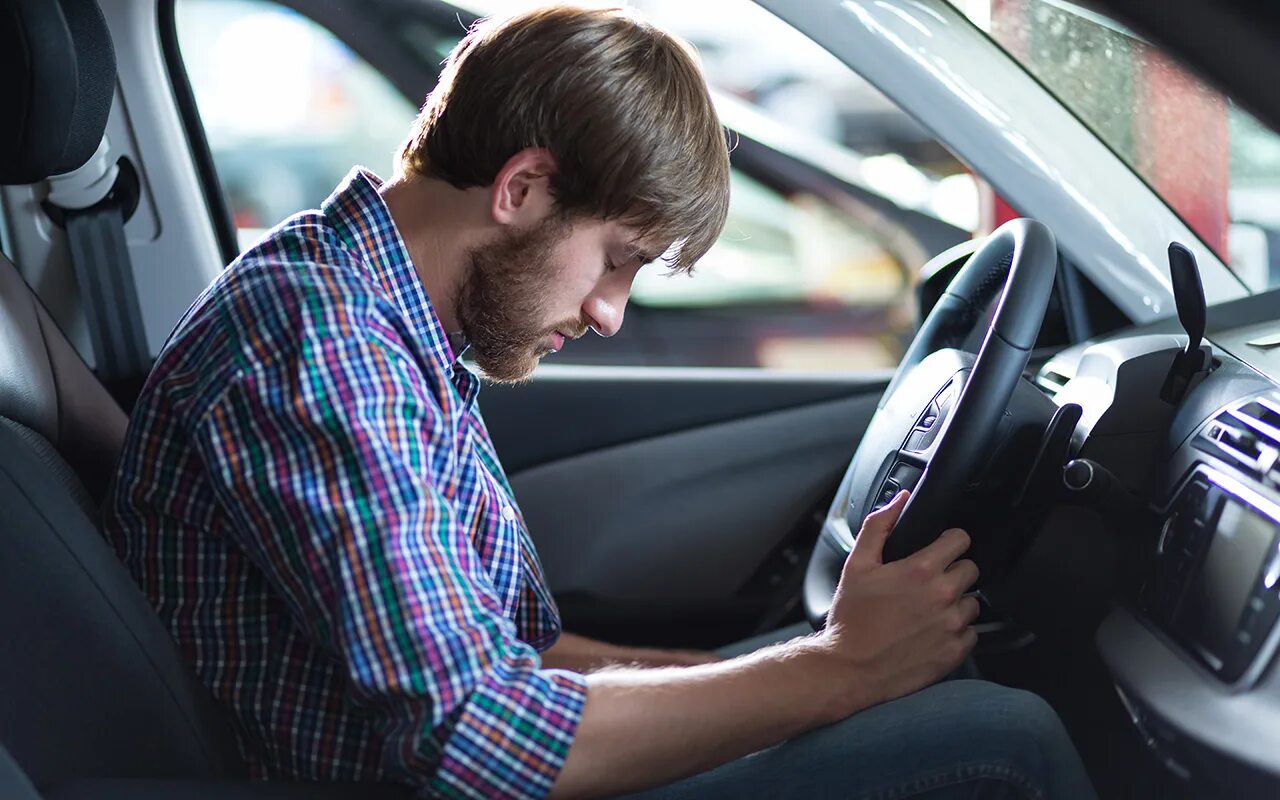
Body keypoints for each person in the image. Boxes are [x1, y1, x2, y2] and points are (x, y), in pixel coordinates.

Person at [103, 5, 1096, 798]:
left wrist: (771, 667)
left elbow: (510, 645)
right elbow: (480, 738)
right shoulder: (322, 344)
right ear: (522, 187)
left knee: (925, 687)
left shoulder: (384, 315)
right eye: (616, 259)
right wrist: (837, 667)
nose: (609, 312)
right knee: (998, 737)